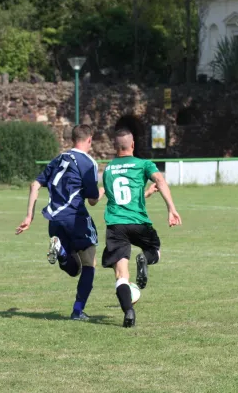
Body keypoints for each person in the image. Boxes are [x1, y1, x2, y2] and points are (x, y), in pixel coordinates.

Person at [15, 124, 103, 320]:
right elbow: (92, 200)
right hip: (75, 218)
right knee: (89, 264)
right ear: (89, 140)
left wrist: (29, 216)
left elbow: (34, 185)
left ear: (73, 139)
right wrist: (103, 191)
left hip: (54, 221)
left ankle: (61, 252)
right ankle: (77, 311)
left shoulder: (58, 159)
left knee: (73, 269)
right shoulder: (89, 163)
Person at [101, 129, 182, 327]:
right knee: (154, 250)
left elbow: (119, 197)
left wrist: (144, 194)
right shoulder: (143, 164)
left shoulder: (109, 169)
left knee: (121, 275)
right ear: (133, 145)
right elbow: (160, 180)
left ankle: (128, 311)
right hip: (138, 222)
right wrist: (171, 209)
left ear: (115, 146)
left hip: (116, 225)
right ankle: (145, 258)